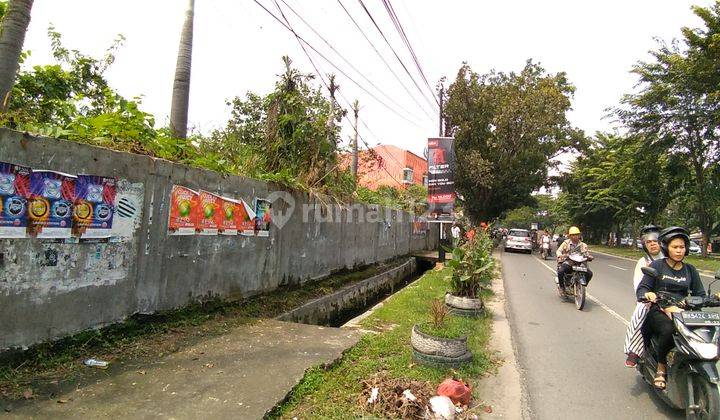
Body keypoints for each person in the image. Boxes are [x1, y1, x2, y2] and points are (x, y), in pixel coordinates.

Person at [636, 227, 706, 390]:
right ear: (667, 248)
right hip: (660, 308)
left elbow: (700, 293)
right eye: (675, 247)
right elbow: (643, 288)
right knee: (668, 329)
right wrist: (648, 294)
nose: (679, 250)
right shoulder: (657, 265)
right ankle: (661, 368)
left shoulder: (690, 269)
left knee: (707, 329)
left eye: (682, 247)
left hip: (683, 311)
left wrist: (705, 300)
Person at [623, 225, 664, 368]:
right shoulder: (644, 262)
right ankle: (634, 351)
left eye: (655, 241)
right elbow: (639, 285)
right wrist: (646, 296)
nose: (652, 244)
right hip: (650, 300)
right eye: (649, 242)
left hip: (673, 300)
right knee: (640, 312)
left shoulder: (670, 258)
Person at [556, 226, 593, 291]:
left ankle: (581, 286)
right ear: (570, 236)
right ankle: (562, 287)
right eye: (573, 235)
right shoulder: (566, 243)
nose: (575, 236)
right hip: (569, 262)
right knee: (561, 272)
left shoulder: (583, 245)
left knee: (589, 274)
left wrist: (589, 257)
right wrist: (560, 255)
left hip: (580, 263)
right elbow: (559, 251)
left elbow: (586, 253)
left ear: (579, 235)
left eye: (576, 235)